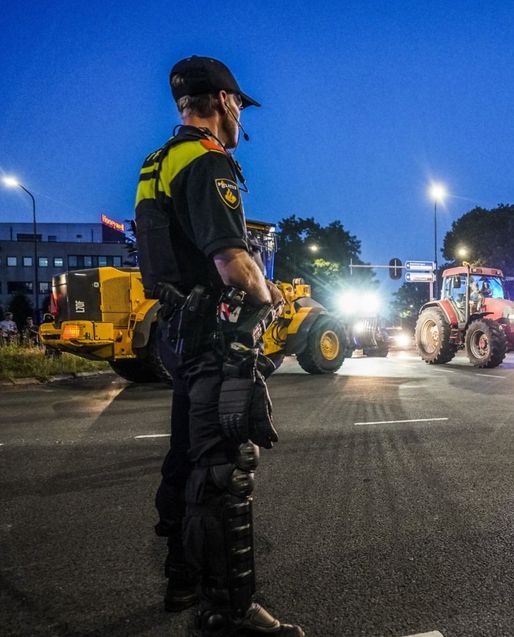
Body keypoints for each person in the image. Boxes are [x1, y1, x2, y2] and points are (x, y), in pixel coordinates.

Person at [134, 56, 300, 636]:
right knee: (224, 471)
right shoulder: (207, 162)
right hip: (211, 334)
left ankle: (181, 575)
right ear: (223, 101)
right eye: (238, 107)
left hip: (175, 327)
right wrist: (267, 291)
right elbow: (232, 262)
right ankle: (228, 610)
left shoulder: (156, 162)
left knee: (185, 456)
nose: (239, 120)